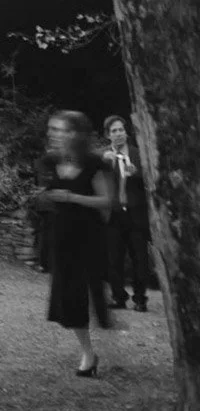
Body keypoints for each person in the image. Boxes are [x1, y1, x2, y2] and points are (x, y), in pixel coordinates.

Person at [40, 111, 114, 376]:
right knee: (69, 298)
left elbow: (107, 202)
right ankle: (89, 353)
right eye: (52, 129)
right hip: (61, 237)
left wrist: (72, 197)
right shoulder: (50, 161)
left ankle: (103, 324)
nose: (54, 134)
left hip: (89, 238)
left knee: (90, 292)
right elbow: (47, 195)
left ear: (77, 133)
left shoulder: (95, 164)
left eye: (61, 129)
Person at [101, 116, 150, 312]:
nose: (118, 134)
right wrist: (103, 162)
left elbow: (150, 182)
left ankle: (140, 298)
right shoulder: (103, 156)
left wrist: (137, 173)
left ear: (126, 132)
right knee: (114, 258)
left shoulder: (139, 155)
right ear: (107, 135)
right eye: (114, 131)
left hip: (135, 213)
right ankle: (118, 296)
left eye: (121, 130)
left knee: (140, 258)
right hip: (113, 214)